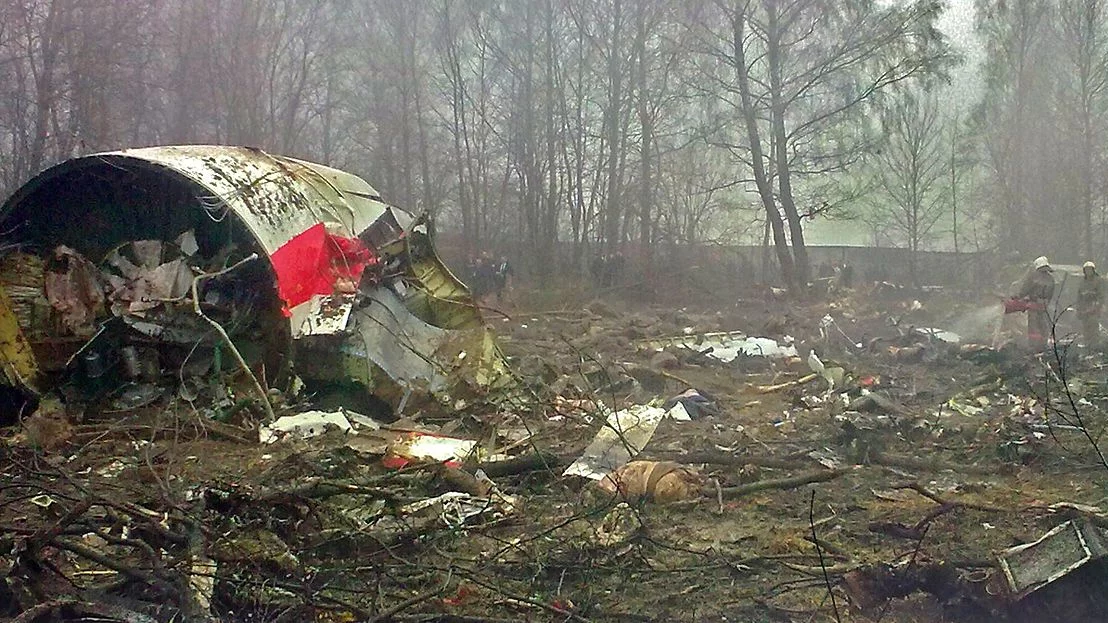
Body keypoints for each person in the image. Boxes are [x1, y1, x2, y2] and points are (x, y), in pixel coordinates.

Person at [1014, 255, 1056, 348]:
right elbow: (1051, 294)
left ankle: (1033, 346)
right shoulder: (1051, 279)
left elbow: (1025, 289)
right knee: (1043, 326)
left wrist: (1018, 296)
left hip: (1033, 305)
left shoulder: (1033, 277)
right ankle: (1043, 345)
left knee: (1033, 327)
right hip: (1044, 306)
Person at [1077, 260, 1103, 347]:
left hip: (1094, 307)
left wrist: (1097, 306)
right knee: (1085, 327)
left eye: (1090, 270)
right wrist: (1079, 309)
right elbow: (1079, 296)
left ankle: (1095, 345)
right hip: (1084, 308)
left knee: (1094, 327)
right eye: (1086, 270)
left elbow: (1101, 295)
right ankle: (1087, 344)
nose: (1088, 272)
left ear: (1093, 270)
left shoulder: (1098, 281)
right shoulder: (1082, 282)